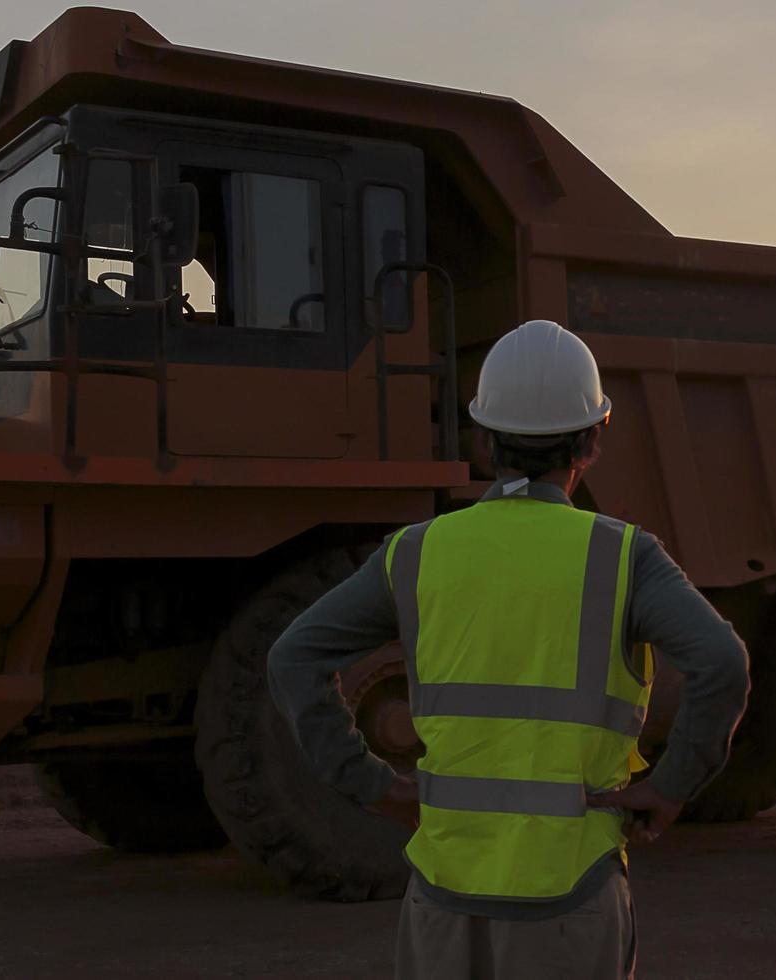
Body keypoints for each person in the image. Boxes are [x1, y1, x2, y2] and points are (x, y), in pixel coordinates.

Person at [268, 319, 749, 980]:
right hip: (570, 896)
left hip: (442, 900)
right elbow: (721, 664)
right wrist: (670, 786)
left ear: (486, 438)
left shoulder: (415, 552)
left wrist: (370, 784)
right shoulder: (624, 559)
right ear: (594, 439)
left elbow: (292, 658)